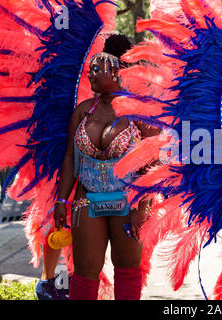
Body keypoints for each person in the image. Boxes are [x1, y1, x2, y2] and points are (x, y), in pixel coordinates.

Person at [52, 34, 159, 300]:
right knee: (85, 273)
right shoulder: (82, 111)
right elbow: (70, 157)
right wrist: (61, 199)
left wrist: (141, 207)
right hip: (86, 198)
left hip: (128, 201)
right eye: (91, 71)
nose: (91, 76)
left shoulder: (137, 112)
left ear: (117, 72)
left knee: (127, 270)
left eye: (98, 70)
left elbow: (152, 161)